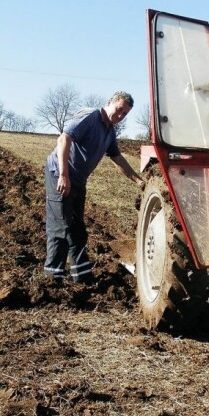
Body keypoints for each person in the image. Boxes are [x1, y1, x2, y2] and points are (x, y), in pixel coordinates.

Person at [43, 91, 145, 283]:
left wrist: (139, 182)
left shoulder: (109, 131)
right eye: (119, 109)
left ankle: (81, 275)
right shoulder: (90, 116)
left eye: (125, 114)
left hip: (79, 181)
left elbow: (117, 158)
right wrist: (64, 175)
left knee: (77, 228)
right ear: (109, 102)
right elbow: (64, 139)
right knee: (60, 226)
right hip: (59, 174)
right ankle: (51, 277)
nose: (120, 115)